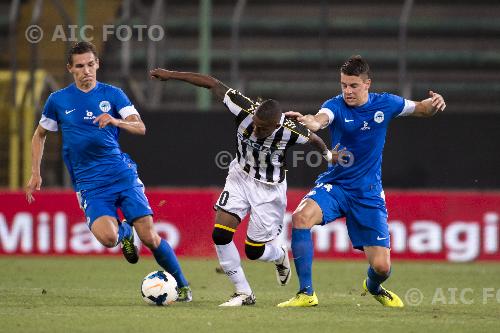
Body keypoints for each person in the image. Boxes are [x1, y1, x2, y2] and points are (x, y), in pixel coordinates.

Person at [150, 68, 340, 306]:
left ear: (275, 126)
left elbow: (315, 139)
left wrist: (328, 155)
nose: (255, 130)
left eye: (262, 128)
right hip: (239, 176)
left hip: (269, 190)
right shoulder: (244, 109)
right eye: (256, 124)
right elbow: (212, 83)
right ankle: (244, 292)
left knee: (253, 251)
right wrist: (171, 75)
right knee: (220, 234)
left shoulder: (290, 131)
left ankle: (279, 255)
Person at [25, 41, 192, 302]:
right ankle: (125, 233)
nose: (86, 71)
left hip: (121, 175)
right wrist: (35, 172)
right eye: (80, 66)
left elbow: (140, 127)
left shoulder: (113, 95)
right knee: (106, 238)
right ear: (70, 69)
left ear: (97, 64)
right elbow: (39, 135)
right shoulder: (58, 100)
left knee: (149, 236)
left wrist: (115, 120)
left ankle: (182, 285)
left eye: (90, 64)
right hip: (89, 184)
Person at [277, 55, 446, 308]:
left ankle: (373, 286)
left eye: (353, 85)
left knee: (382, 267)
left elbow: (422, 109)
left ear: (367, 84)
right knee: (300, 217)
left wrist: (435, 103)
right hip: (336, 186)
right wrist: (310, 122)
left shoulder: (386, 104)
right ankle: (306, 293)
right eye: (344, 85)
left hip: (368, 193)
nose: (347, 91)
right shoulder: (335, 106)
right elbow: (320, 119)